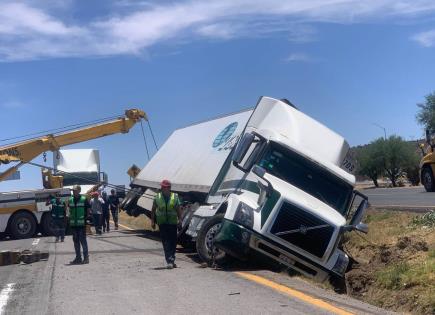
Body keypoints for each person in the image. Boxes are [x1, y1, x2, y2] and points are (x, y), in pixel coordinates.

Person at [151, 180, 182, 269]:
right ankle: (169, 261)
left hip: (172, 223)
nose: (162, 188)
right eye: (162, 187)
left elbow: (178, 209)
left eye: (164, 187)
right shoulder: (157, 197)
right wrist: (152, 221)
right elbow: (153, 210)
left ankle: (171, 259)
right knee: (166, 242)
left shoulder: (174, 197)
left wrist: (180, 220)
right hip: (162, 223)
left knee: (173, 242)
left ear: (168, 188)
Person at [67, 185, 91, 265]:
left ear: (79, 191)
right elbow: (68, 211)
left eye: (75, 190)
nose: (73, 192)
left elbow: (88, 210)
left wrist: (85, 219)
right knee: (76, 242)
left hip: (81, 224)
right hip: (74, 225)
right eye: (73, 190)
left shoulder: (84, 199)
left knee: (83, 241)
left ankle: (86, 258)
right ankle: (78, 258)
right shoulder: (70, 200)